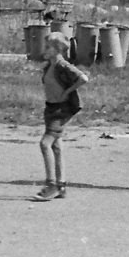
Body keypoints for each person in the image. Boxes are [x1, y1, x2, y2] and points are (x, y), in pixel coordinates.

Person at [35, 31, 88, 202]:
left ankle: (51, 185)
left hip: (61, 109)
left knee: (45, 144)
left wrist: (67, 92)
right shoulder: (49, 65)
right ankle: (61, 185)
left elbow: (83, 78)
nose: (46, 49)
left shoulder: (62, 65)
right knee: (56, 146)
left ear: (58, 49)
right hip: (50, 107)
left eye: (49, 47)